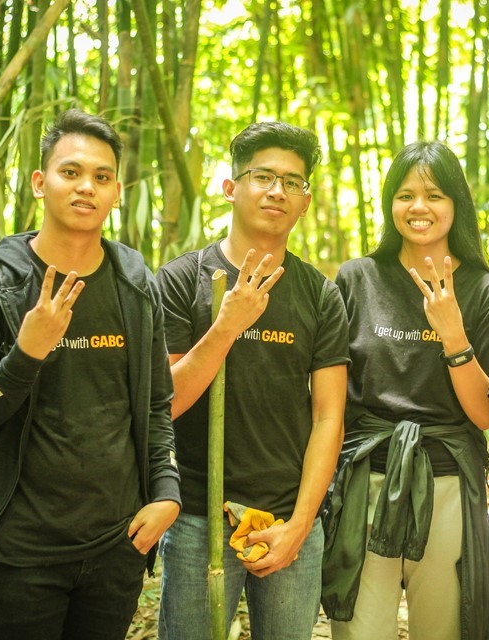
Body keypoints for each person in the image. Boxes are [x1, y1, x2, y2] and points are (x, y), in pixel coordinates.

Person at [0, 109, 181, 640]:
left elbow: (154, 406)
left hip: (116, 545)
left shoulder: (136, 285)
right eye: (70, 172)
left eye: (101, 177)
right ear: (40, 182)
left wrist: (166, 492)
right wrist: (26, 355)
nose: (86, 188)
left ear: (117, 191)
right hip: (22, 551)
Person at [154, 121, 349, 640]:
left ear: (305, 202)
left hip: (288, 518)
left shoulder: (320, 294)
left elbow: (330, 415)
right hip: (198, 516)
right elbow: (164, 402)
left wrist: (302, 526)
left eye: (293, 182)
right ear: (231, 188)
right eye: (263, 176)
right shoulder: (181, 280)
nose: (277, 191)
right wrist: (227, 325)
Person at [322, 141, 489, 640]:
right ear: (389, 204)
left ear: (456, 205)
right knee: (358, 632)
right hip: (364, 484)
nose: (419, 207)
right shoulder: (358, 278)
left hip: (445, 480)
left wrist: (452, 334)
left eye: (434, 195)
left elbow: (486, 414)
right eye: (405, 195)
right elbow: (330, 393)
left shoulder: (484, 289)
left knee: (443, 630)